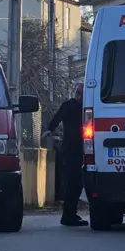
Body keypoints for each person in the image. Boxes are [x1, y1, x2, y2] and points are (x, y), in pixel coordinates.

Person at [47, 94, 87, 227]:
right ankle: (68, 216)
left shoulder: (74, 106)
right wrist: (49, 129)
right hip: (71, 150)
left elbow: (56, 118)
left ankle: (70, 214)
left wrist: (49, 129)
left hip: (77, 149)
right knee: (73, 183)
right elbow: (56, 119)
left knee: (76, 184)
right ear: (79, 94)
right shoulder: (71, 106)